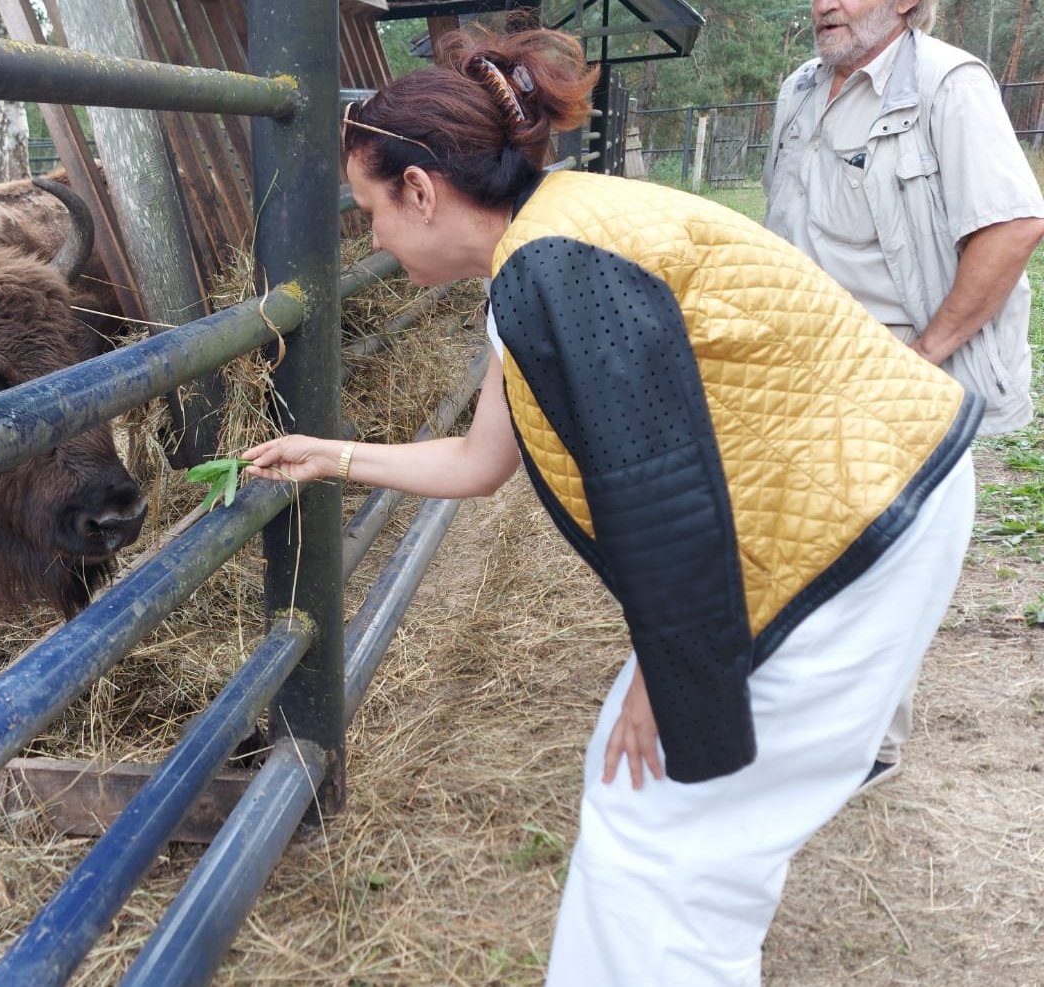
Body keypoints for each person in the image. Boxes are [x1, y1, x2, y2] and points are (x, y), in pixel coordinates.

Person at [243, 24, 981, 986]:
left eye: (370, 209)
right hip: (852, 499)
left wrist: (668, 679)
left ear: (421, 192)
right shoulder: (549, 243)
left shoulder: (559, 269)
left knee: (664, 840)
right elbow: (480, 460)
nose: (371, 237)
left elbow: (659, 490)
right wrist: (331, 453)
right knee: (655, 812)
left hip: (849, 527)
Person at [762, 0, 1044, 790]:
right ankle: (805, 714)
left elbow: (1013, 225)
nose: (826, 4)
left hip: (893, 360)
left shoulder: (951, 86)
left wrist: (925, 354)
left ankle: (868, 746)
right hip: (800, 358)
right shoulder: (799, 88)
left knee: (882, 558)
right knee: (803, 541)